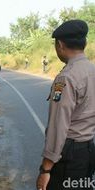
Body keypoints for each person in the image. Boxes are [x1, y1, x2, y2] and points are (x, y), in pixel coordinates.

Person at [36, 20, 95, 190]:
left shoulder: (66, 78)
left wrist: (45, 169)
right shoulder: (92, 71)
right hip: (88, 151)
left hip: (68, 158)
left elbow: (58, 127)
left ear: (60, 45)